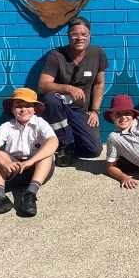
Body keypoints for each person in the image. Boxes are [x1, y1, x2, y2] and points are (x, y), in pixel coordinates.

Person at [0, 87, 58, 219]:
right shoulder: (7, 126)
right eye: (18, 106)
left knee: (47, 155)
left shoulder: (40, 123)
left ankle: (30, 195)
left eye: (28, 105)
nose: (23, 109)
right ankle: (0, 197)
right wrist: (4, 163)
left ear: (34, 109)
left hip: (38, 170)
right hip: (14, 170)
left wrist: (31, 161)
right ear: (12, 109)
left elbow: (53, 141)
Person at [37, 16, 108, 166]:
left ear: (90, 35)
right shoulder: (56, 55)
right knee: (50, 98)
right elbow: (43, 85)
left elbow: (99, 83)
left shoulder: (98, 53)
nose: (79, 38)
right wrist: (67, 88)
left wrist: (95, 110)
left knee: (94, 150)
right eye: (75, 34)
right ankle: (65, 147)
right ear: (68, 35)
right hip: (59, 109)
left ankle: (65, 142)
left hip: (81, 110)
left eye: (84, 34)